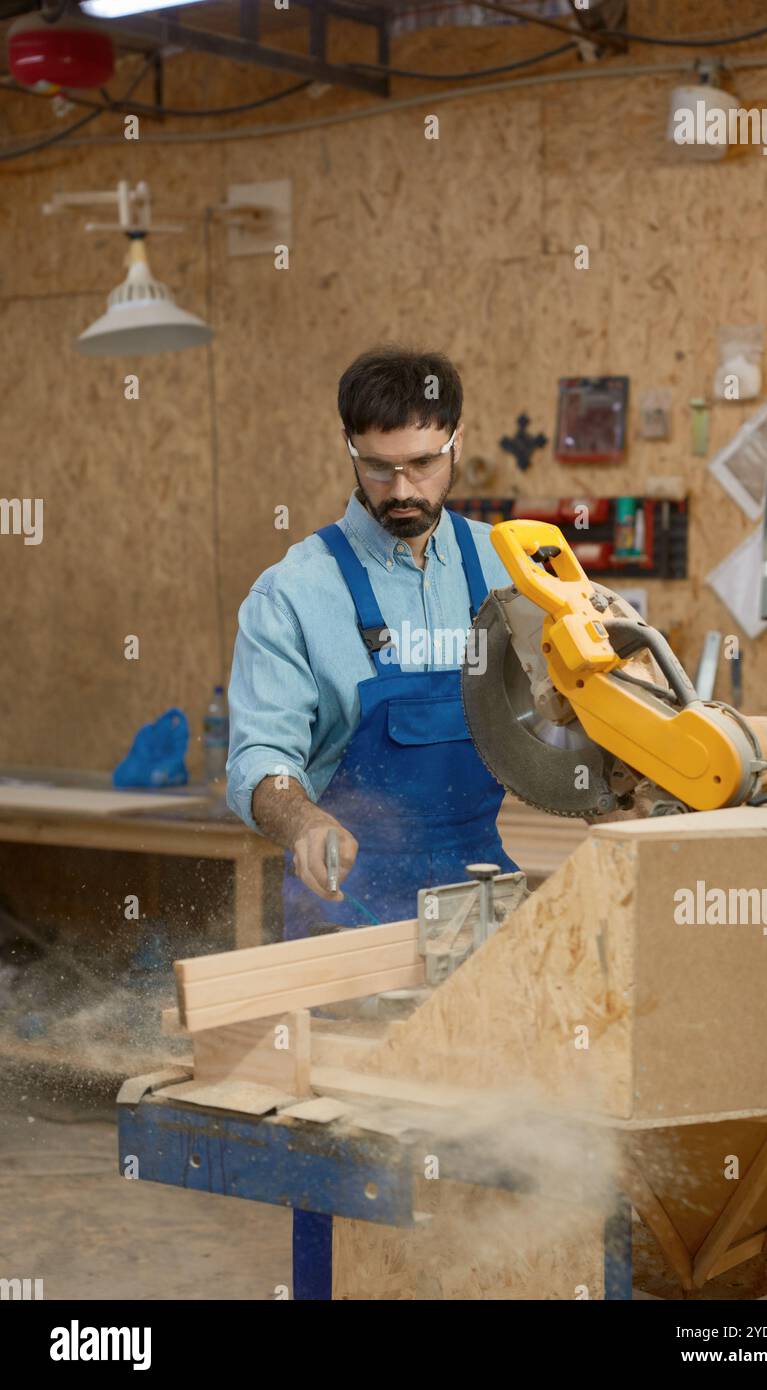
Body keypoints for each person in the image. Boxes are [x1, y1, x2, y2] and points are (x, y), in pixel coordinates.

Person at [226, 346, 519, 1298]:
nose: (403, 488)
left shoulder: (509, 568)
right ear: (349, 450)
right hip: (348, 902)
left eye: (425, 464)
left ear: (457, 443)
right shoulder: (295, 590)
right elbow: (259, 759)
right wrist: (300, 818)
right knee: (352, 1170)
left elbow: (570, 710)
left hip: (478, 892)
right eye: (379, 465)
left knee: (493, 1158)